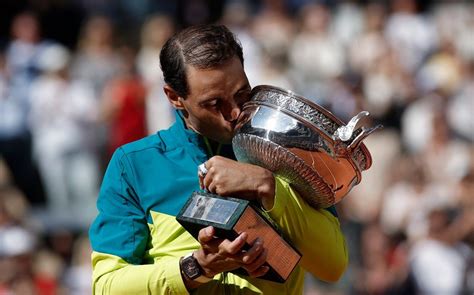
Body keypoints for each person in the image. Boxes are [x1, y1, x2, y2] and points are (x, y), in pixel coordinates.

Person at [89, 24, 348, 294]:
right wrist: (197, 267)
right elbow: (107, 285)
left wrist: (269, 186)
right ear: (175, 97)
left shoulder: (286, 153)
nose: (235, 112)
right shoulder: (133, 165)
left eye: (242, 94)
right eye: (215, 103)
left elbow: (334, 266)